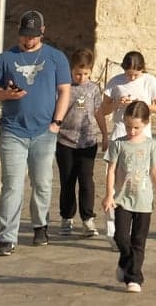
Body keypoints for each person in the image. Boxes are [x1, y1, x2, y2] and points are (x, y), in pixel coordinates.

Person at [0, 9, 71, 256]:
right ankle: (7, 237)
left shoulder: (56, 58)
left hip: (44, 130)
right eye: (24, 35)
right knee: (12, 184)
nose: (28, 40)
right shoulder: (5, 58)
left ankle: (40, 225)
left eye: (33, 36)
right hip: (13, 130)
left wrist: (57, 122)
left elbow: (65, 90)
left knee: (42, 182)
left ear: (42, 32)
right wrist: (6, 95)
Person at [103, 99, 156, 294]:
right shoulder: (118, 145)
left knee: (139, 241)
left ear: (145, 123)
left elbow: (155, 172)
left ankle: (134, 277)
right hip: (122, 199)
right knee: (121, 237)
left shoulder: (152, 146)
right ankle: (125, 261)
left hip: (144, 201)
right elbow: (111, 170)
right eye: (128, 127)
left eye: (136, 128)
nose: (131, 132)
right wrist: (108, 195)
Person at [56, 48, 103, 237]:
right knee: (67, 180)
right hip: (65, 141)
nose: (81, 77)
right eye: (77, 73)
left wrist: (105, 135)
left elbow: (98, 111)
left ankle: (88, 219)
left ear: (90, 71)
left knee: (86, 181)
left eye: (85, 73)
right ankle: (67, 217)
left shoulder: (93, 89)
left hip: (88, 141)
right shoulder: (64, 87)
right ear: (71, 70)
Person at [98, 51, 156, 144]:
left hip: (143, 134)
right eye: (128, 74)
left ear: (142, 69)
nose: (132, 78)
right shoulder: (115, 82)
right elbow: (103, 110)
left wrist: (142, 105)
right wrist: (117, 104)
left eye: (136, 75)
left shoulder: (150, 81)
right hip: (120, 133)